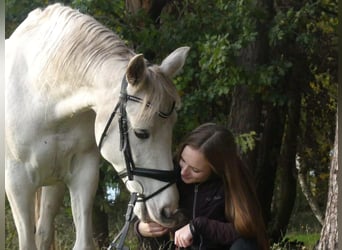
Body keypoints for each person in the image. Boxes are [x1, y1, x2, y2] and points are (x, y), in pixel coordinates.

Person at [134, 123, 269, 250]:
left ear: (216, 170)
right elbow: (144, 208)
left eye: (195, 170)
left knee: (246, 245)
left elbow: (247, 231)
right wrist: (140, 228)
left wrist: (198, 226)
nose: (183, 172)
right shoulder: (170, 173)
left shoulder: (234, 182)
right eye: (183, 160)